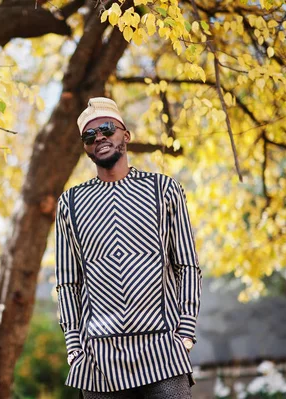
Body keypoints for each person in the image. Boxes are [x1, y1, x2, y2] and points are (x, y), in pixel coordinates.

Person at [54, 97, 202, 398]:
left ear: (126, 135)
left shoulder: (164, 190)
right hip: (99, 358)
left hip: (163, 350)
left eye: (107, 129)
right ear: (85, 147)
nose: (100, 138)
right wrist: (73, 345)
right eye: (90, 136)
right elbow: (68, 281)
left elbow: (186, 265)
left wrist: (185, 331)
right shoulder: (69, 203)